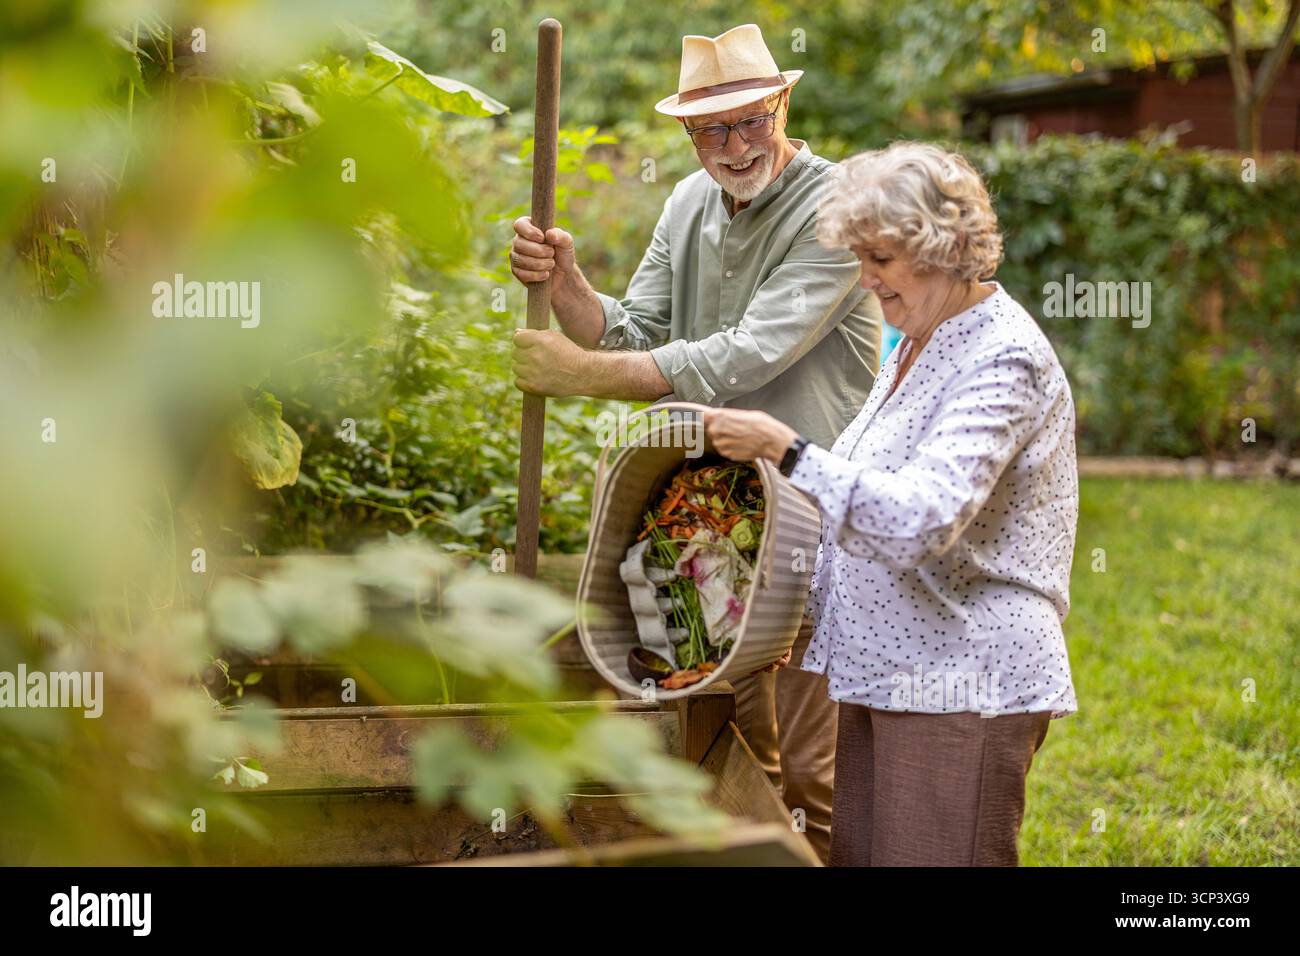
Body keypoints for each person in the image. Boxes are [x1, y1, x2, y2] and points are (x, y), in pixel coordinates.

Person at [507, 23, 883, 862]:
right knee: (730, 744)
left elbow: (739, 357)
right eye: (712, 128)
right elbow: (631, 330)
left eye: (751, 119)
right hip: (712, 517)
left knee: (815, 766)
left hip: (817, 516)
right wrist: (569, 288)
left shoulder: (833, 212)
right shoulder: (687, 204)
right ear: (687, 133)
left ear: (782, 103)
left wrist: (572, 375)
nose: (735, 144)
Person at [703, 142, 1078, 866]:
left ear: (945, 247)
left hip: (962, 676)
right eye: (859, 256)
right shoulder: (916, 340)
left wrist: (785, 448)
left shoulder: (1001, 356)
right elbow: (860, 497)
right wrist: (792, 606)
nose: (864, 277)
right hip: (891, 666)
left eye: (879, 258)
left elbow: (922, 520)